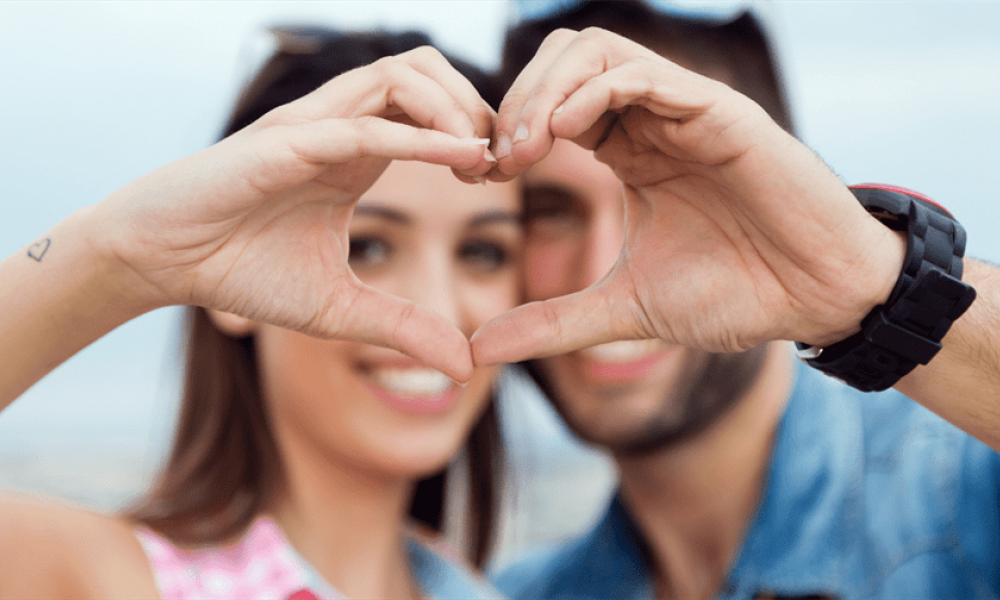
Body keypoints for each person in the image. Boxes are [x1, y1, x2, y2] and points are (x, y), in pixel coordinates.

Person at [472, 2, 1000, 598]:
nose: (602, 267)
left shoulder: (967, 488)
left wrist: (875, 281)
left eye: (676, 195)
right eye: (551, 212)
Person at [0, 29, 517, 599]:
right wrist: (121, 255)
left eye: (482, 253)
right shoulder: (96, 576)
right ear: (232, 292)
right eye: (366, 246)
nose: (438, 310)